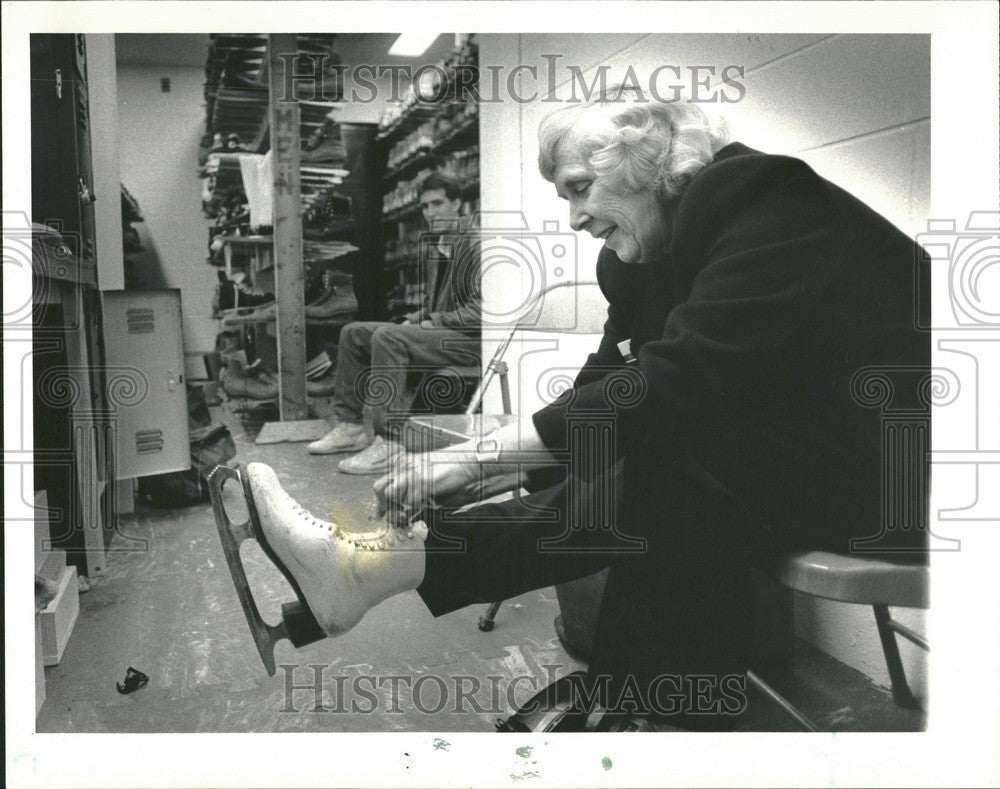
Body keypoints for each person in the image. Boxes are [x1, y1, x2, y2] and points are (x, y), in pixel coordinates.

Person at [241, 88, 930, 730]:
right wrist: (487, 463)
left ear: (647, 161)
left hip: (913, 480)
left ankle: (632, 709)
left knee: (671, 459)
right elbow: (602, 389)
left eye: (579, 188)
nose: (573, 218)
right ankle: (641, 713)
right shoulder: (641, 254)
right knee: (634, 459)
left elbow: (670, 382)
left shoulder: (760, 198)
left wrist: (469, 456)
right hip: (802, 459)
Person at [308, 174, 481, 474]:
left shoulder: (476, 244)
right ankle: (350, 427)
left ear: (458, 203)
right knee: (354, 332)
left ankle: (390, 443)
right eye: (426, 207)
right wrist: (418, 318)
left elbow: (484, 312)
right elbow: (434, 305)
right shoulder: (437, 246)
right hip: (445, 333)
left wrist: (432, 320)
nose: (431, 213)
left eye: (438, 203)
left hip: (474, 343)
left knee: (390, 338)